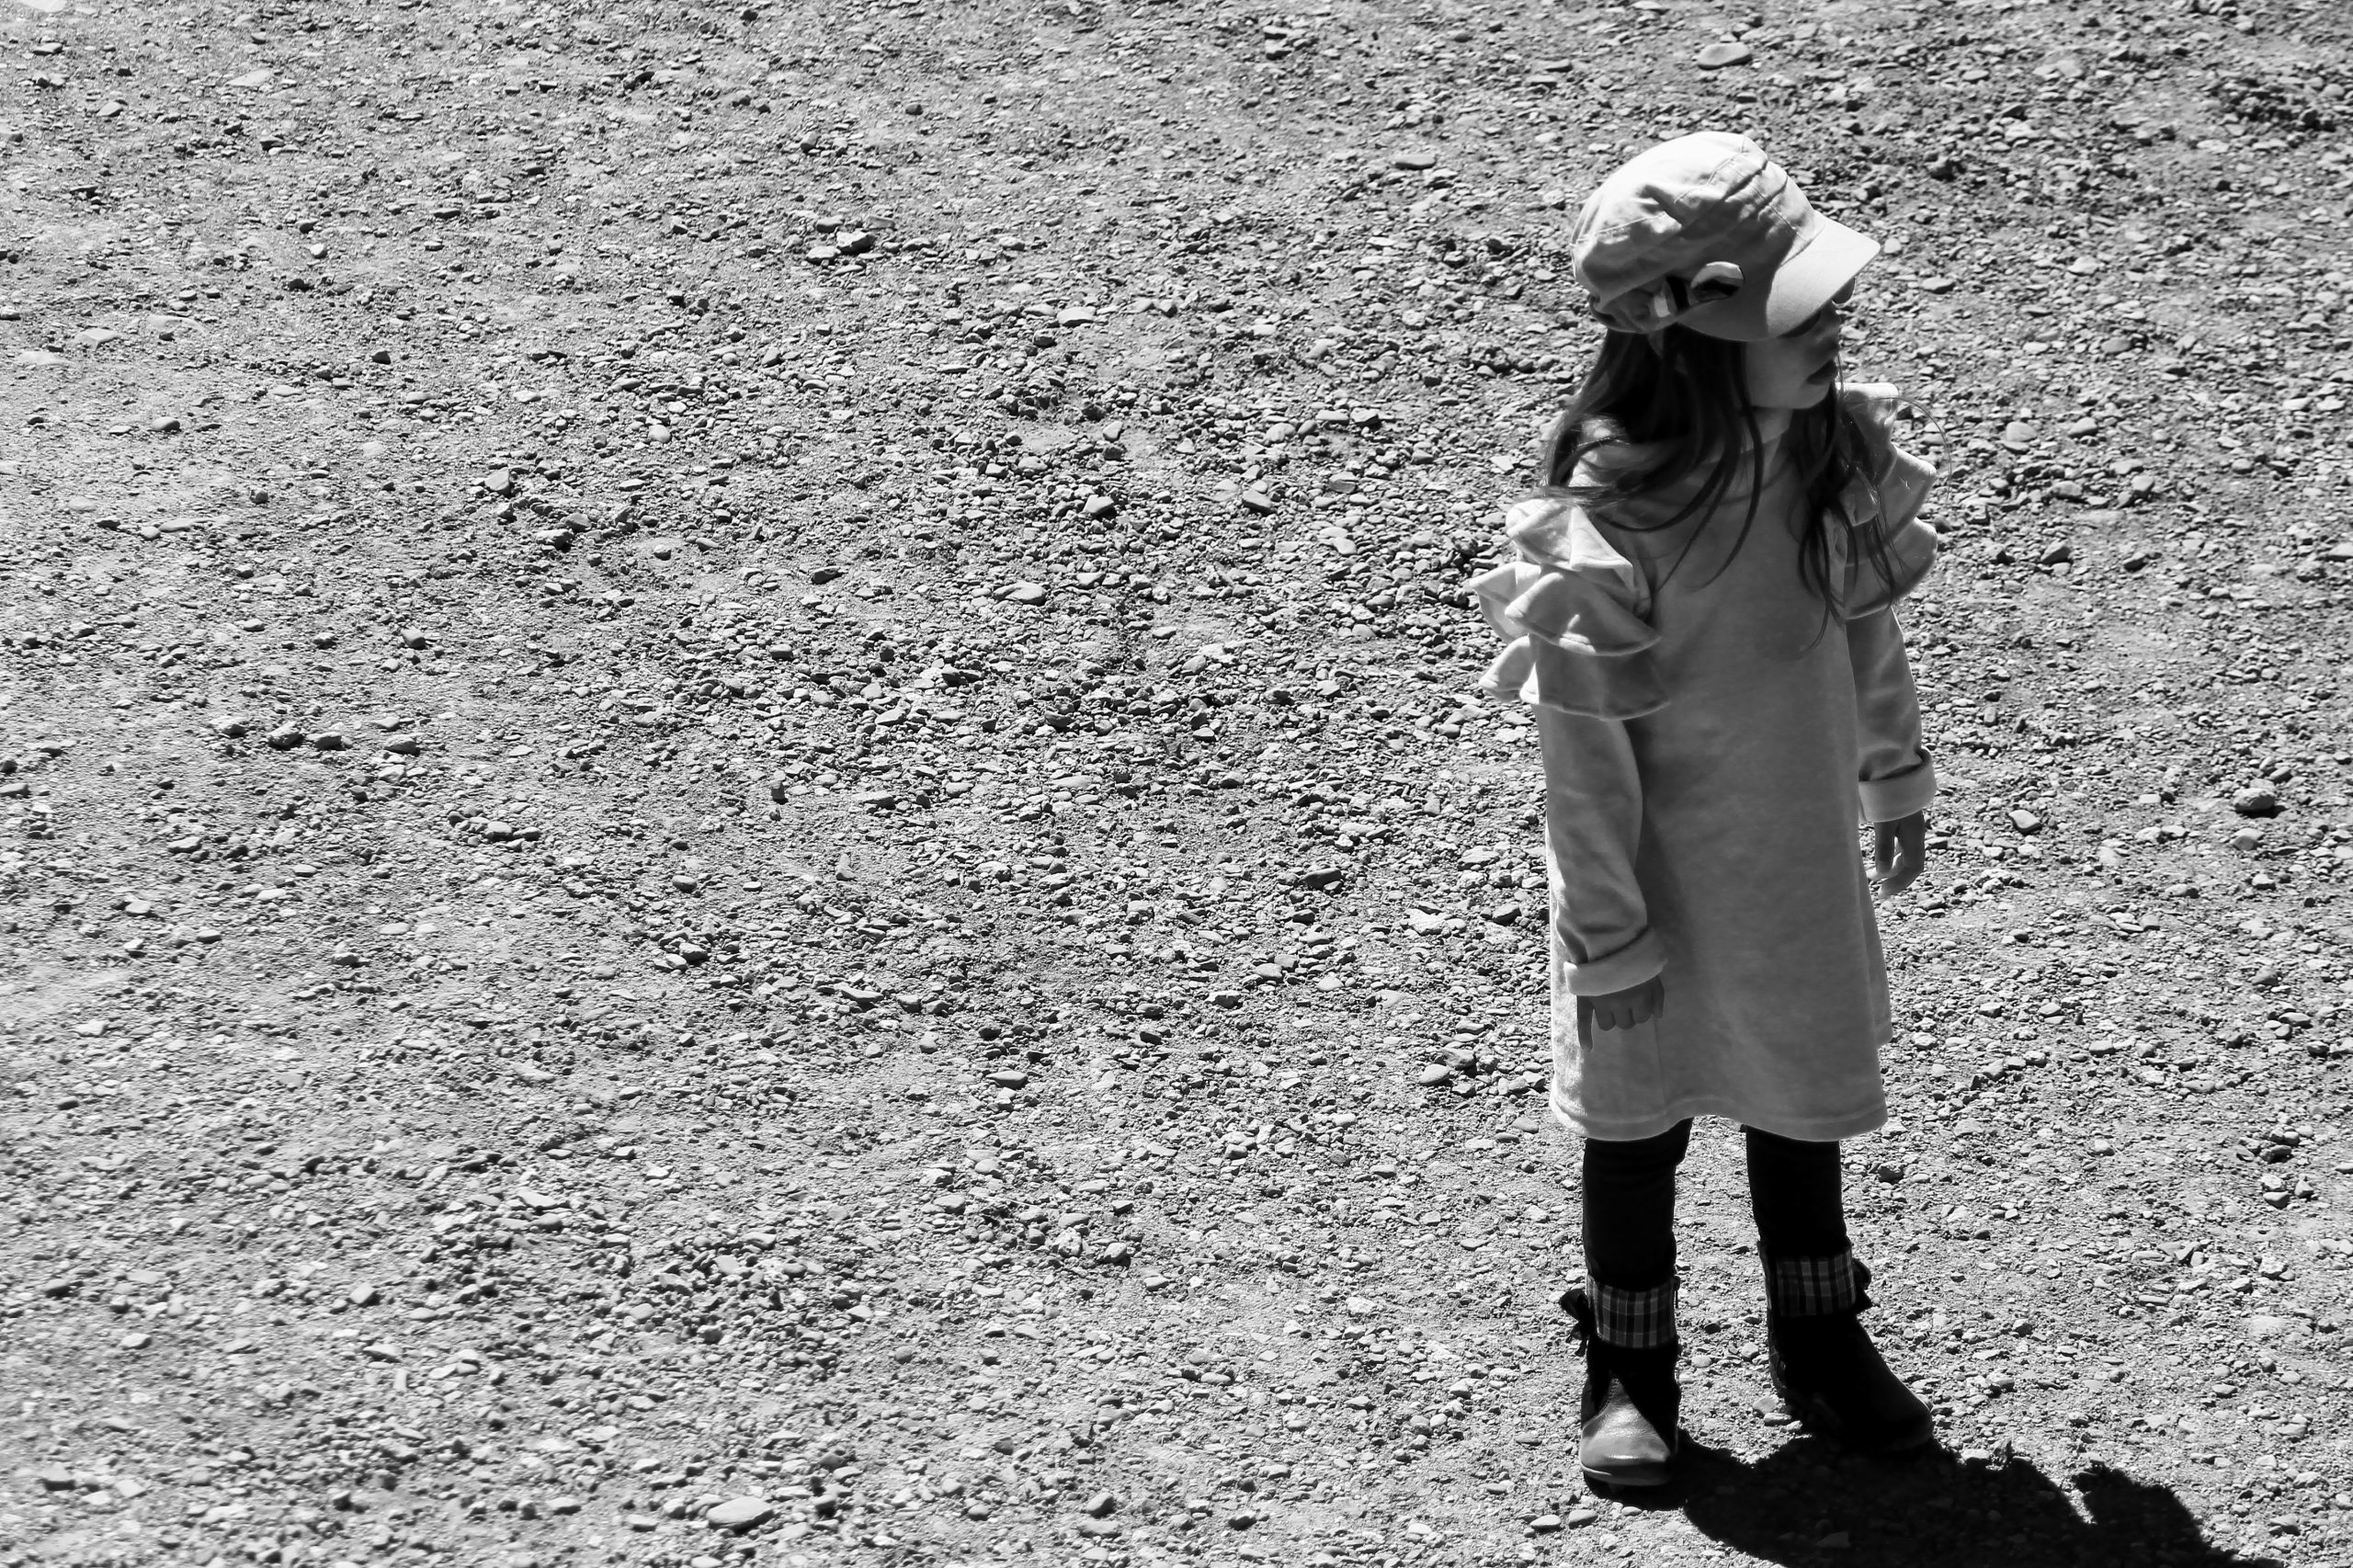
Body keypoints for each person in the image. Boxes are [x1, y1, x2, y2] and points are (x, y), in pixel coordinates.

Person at [1469, 131, 1942, 1488]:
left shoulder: (1826, 462)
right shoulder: (1613, 529)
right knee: (1638, 1115)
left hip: (1789, 862)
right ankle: (1631, 1361)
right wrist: (1607, 933)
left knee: (1802, 1094)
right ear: (1696, 333)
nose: (1837, 327)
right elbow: (1585, 762)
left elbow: (1863, 628)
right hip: (1657, 881)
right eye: (1805, 307)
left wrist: (1893, 768)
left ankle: (1820, 1327)